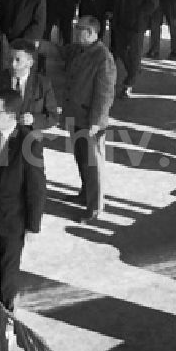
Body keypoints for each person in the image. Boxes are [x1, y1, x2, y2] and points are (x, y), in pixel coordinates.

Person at [0, 89, 45, 311]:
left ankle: (5, 321)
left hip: (11, 221)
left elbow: (35, 187)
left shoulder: (29, 142)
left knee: (8, 278)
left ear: (11, 116)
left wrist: (33, 225)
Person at [63, 16, 116, 223]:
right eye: (76, 28)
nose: (76, 32)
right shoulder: (79, 50)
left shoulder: (103, 58)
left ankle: (95, 207)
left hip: (90, 120)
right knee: (81, 159)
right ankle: (85, 193)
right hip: (76, 115)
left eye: (81, 29)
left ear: (93, 33)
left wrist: (97, 121)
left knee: (93, 165)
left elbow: (105, 93)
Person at [113, 0, 158, 99]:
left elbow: (152, 3)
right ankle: (133, 70)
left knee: (134, 51)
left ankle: (130, 81)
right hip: (123, 20)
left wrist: (139, 15)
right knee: (120, 49)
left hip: (136, 23)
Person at [0, 40, 59, 131]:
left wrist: (34, 119)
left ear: (30, 63)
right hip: (0, 134)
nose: (13, 64)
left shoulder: (43, 84)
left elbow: (53, 117)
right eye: (10, 59)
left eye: (18, 60)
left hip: (29, 137)